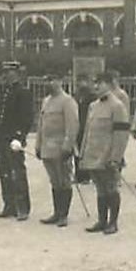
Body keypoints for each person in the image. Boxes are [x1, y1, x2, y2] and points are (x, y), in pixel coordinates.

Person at [78, 70, 132, 235]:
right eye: (95, 83)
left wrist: (116, 157)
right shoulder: (93, 106)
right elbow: (87, 131)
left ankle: (113, 222)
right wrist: (82, 153)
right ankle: (102, 220)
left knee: (111, 188)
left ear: (108, 84)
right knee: (100, 189)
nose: (95, 87)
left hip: (107, 155)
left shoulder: (117, 106)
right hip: (93, 154)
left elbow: (121, 134)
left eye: (99, 83)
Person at [0, 60, 34, 221]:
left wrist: (19, 137)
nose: (5, 75)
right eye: (4, 72)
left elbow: (26, 118)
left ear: (15, 73)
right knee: (5, 173)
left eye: (8, 72)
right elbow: (0, 116)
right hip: (2, 138)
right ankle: (9, 205)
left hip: (13, 139)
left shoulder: (23, 92)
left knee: (17, 173)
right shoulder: (5, 91)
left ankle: (23, 207)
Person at [36, 72, 81, 226]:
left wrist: (67, 148)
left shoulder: (67, 101)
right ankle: (56, 212)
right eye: (46, 80)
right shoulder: (46, 101)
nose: (48, 83)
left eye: (52, 79)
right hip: (47, 149)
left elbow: (72, 126)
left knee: (64, 181)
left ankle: (64, 215)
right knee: (54, 181)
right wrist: (38, 145)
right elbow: (41, 126)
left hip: (61, 148)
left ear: (60, 81)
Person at [72, 75, 97, 185]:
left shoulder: (92, 97)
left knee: (86, 151)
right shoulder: (75, 96)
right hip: (77, 125)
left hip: (88, 126)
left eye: (83, 82)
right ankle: (78, 175)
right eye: (79, 82)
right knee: (77, 152)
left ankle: (87, 175)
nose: (81, 84)